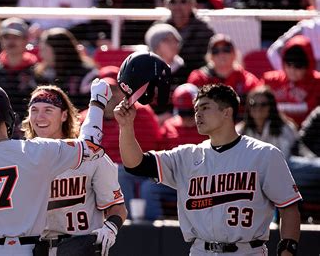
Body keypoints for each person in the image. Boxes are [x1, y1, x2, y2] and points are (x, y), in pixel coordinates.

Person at [115, 81, 302, 255]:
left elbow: (289, 207)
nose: (198, 114)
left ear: (227, 112)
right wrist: (126, 126)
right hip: (200, 250)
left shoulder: (264, 154)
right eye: (196, 109)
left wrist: (288, 248)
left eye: (205, 108)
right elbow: (136, 164)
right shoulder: (187, 156)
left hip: (248, 251)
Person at [0, 79, 112, 256]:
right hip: (27, 249)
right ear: (8, 116)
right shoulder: (36, 151)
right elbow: (91, 146)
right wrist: (97, 101)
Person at [21, 85, 127, 256]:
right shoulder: (20, 157)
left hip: (80, 247)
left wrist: (110, 228)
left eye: (48, 110)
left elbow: (117, 208)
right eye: (34, 110)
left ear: (64, 115)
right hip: (34, 249)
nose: (39, 117)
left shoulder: (91, 156)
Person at [81, 65, 160, 220]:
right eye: (106, 89)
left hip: (137, 172)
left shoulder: (140, 112)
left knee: (120, 173)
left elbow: (151, 150)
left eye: (114, 89)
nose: (110, 94)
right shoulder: (87, 118)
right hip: (97, 175)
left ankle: (125, 224)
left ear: (124, 91)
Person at [141, 83, 207, 220]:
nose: (188, 118)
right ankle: (158, 229)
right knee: (148, 188)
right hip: (175, 180)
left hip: (203, 182)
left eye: (190, 112)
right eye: (183, 113)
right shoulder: (169, 125)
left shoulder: (209, 127)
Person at [187, 33, 260, 119]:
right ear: (210, 57)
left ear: (234, 54)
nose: (221, 54)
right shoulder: (199, 78)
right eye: (215, 51)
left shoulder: (248, 80)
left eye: (226, 49)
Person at [262, 34, 320, 127]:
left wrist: (275, 108)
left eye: (298, 66)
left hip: (305, 132)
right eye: (288, 64)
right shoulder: (271, 79)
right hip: (274, 130)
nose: (292, 70)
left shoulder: (317, 82)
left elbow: (309, 108)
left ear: (308, 65)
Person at [36, 27, 98, 110]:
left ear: (58, 50)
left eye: (44, 50)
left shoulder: (87, 74)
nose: (40, 55)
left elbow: (89, 107)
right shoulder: (43, 74)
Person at [154, 0, 215, 74]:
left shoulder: (203, 29)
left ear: (191, 4)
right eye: (173, 1)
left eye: (183, 1)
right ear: (166, 5)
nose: (177, 6)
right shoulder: (158, 28)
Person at [236, 85, 299, 159]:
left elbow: (284, 157)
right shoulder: (239, 131)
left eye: (263, 104)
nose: (258, 108)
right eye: (253, 104)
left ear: (271, 107)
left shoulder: (285, 128)